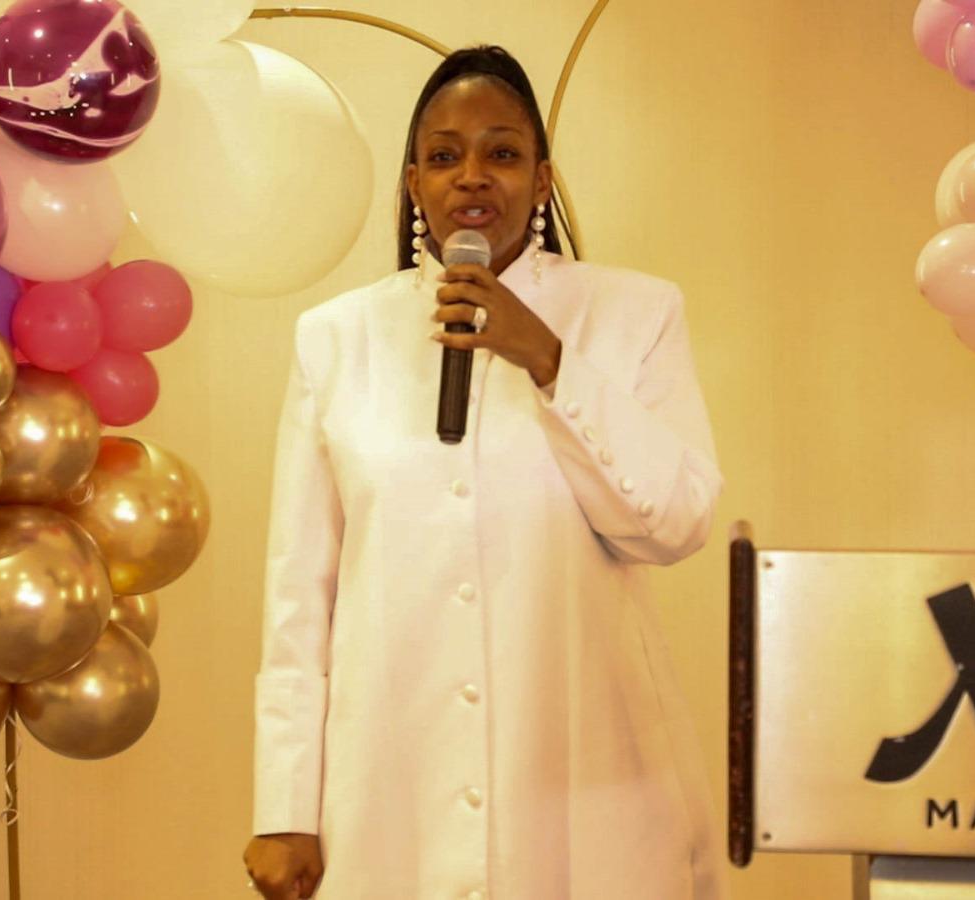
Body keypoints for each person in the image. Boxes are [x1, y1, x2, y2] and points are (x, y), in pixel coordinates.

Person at [242, 44, 726, 900]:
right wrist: (285, 806)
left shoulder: (635, 313)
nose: (471, 175)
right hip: (393, 780)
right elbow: (300, 592)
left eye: (501, 152)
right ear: (413, 185)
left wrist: (549, 359)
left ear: (541, 182)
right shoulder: (337, 338)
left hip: (587, 775)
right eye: (443, 156)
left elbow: (678, 522)